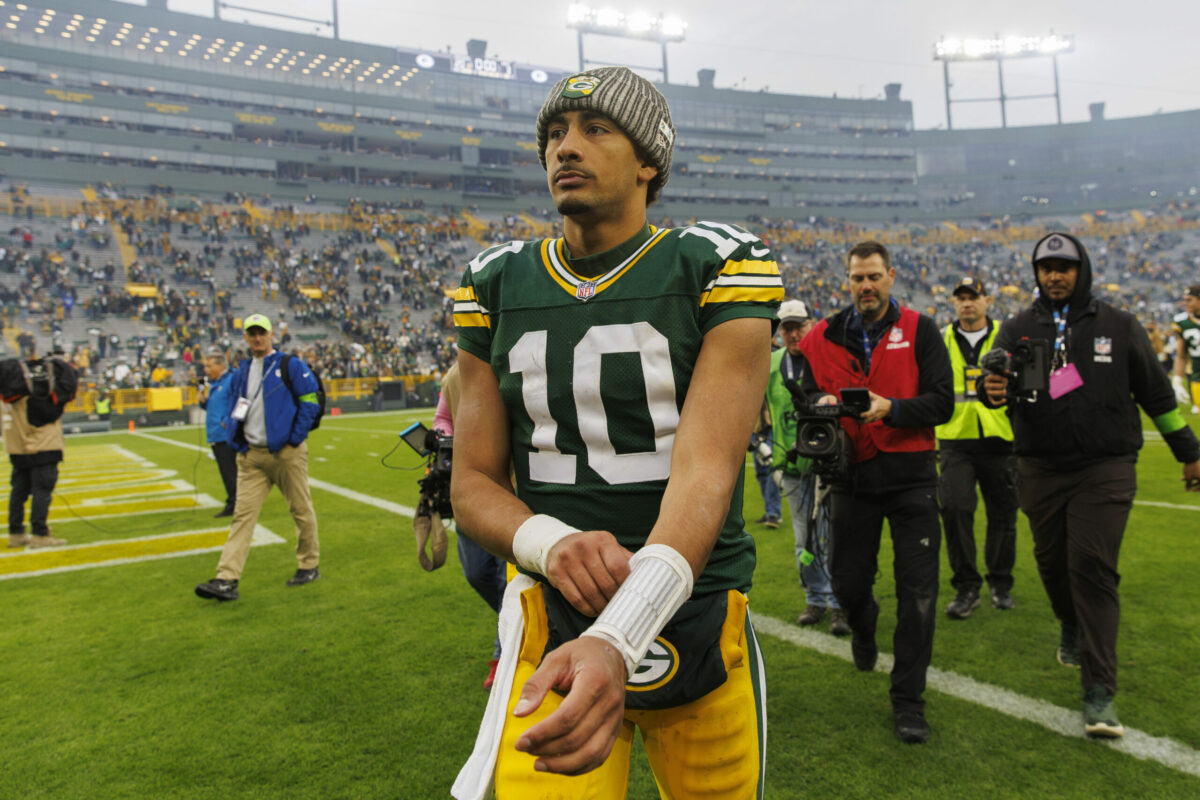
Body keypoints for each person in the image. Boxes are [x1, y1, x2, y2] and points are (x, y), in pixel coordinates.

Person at [450, 66, 782, 799]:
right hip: (552, 615)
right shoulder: (495, 283)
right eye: (554, 134)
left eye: (596, 129)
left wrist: (619, 633)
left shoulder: (715, 265)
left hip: (696, 614)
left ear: (648, 161)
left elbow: (707, 473)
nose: (566, 147)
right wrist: (551, 542)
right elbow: (470, 483)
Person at [982, 232, 1200, 739]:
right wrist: (990, 388)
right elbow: (994, 387)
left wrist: (1190, 454)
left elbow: (1157, 396)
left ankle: (1099, 692)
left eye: (1065, 266)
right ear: (1035, 273)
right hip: (1039, 467)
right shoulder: (1016, 328)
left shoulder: (1119, 326)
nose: (1055, 275)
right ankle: (1068, 622)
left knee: (1093, 569)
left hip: (1106, 467)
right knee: (1052, 564)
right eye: (1046, 267)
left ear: (1084, 270)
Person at [799, 240, 953, 744]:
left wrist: (893, 409)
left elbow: (943, 403)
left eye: (873, 277)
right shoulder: (823, 335)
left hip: (911, 476)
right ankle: (864, 630)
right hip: (852, 479)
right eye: (856, 278)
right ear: (847, 281)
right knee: (847, 583)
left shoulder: (921, 329)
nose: (865, 286)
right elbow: (800, 385)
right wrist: (818, 402)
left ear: (891, 277)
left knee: (920, 595)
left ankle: (908, 701)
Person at [194, 314, 322, 602]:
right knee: (242, 517)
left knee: (300, 509)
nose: (257, 338)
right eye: (251, 333)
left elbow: (311, 401)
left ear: (271, 334)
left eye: (261, 332)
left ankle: (308, 564)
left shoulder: (290, 365)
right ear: (245, 337)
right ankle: (226, 578)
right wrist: (235, 436)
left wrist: (294, 438)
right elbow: (235, 406)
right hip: (253, 456)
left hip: (285, 453)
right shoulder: (241, 372)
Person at [765, 298, 850, 635]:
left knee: (835, 537)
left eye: (798, 325)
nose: (793, 333)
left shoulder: (827, 358)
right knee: (805, 539)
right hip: (792, 463)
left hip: (831, 461)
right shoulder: (771, 363)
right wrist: (759, 439)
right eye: (786, 327)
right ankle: (815, 598)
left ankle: (839, 604)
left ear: (811, 325)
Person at [936, 277, 1019, 619]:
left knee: (1003, 514)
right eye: (961, 298)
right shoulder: (941, 338)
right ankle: (967, 586)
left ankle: (1000, 582)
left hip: (1001, 436)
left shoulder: (1009, 335)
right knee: (955, 510)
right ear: (954, 303)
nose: (967, 303)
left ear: (987, 300)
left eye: (974, 297)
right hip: (955, 438)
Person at [434, 359, 507, 690]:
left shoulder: (508, 358)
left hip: (512, 488)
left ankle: (503, 656)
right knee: (477, 572)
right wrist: (445, 441)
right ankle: (523, 621)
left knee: (509, 579)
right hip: (469, 487)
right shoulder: (454, 374)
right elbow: (443, 418)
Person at [3, 351, 77, 548]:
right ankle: (40, 534)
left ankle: (16, 533)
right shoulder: (43, 390)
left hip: (17, 443)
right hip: (44, 444)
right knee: (42, 490)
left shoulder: (14, 387)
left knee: (19, 491)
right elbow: (51, 409)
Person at [200, 349, 238, 518]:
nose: (206, 370)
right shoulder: (214, 384)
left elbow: (240, 401)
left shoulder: (231, 380)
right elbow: (212, 407)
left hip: (226, 434)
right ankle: (235, 501)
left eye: (209, 366)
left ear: (221, 365)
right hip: (216, 434)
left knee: (230, 471)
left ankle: (235, 503)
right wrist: (202, 400)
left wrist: (229, 421)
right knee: (227, 471)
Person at [749, 404, 782, 529]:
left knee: (772, 467)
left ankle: (773, 512)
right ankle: (770, 508)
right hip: (753, 426)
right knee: (761, 472)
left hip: (771, 424)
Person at [1171, 284, 1200, 414]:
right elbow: (1181, 355)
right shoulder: (1182, 322)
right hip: (1197, 377)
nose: (1185, 303)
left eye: (1189, 300)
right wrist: (1177, 380)